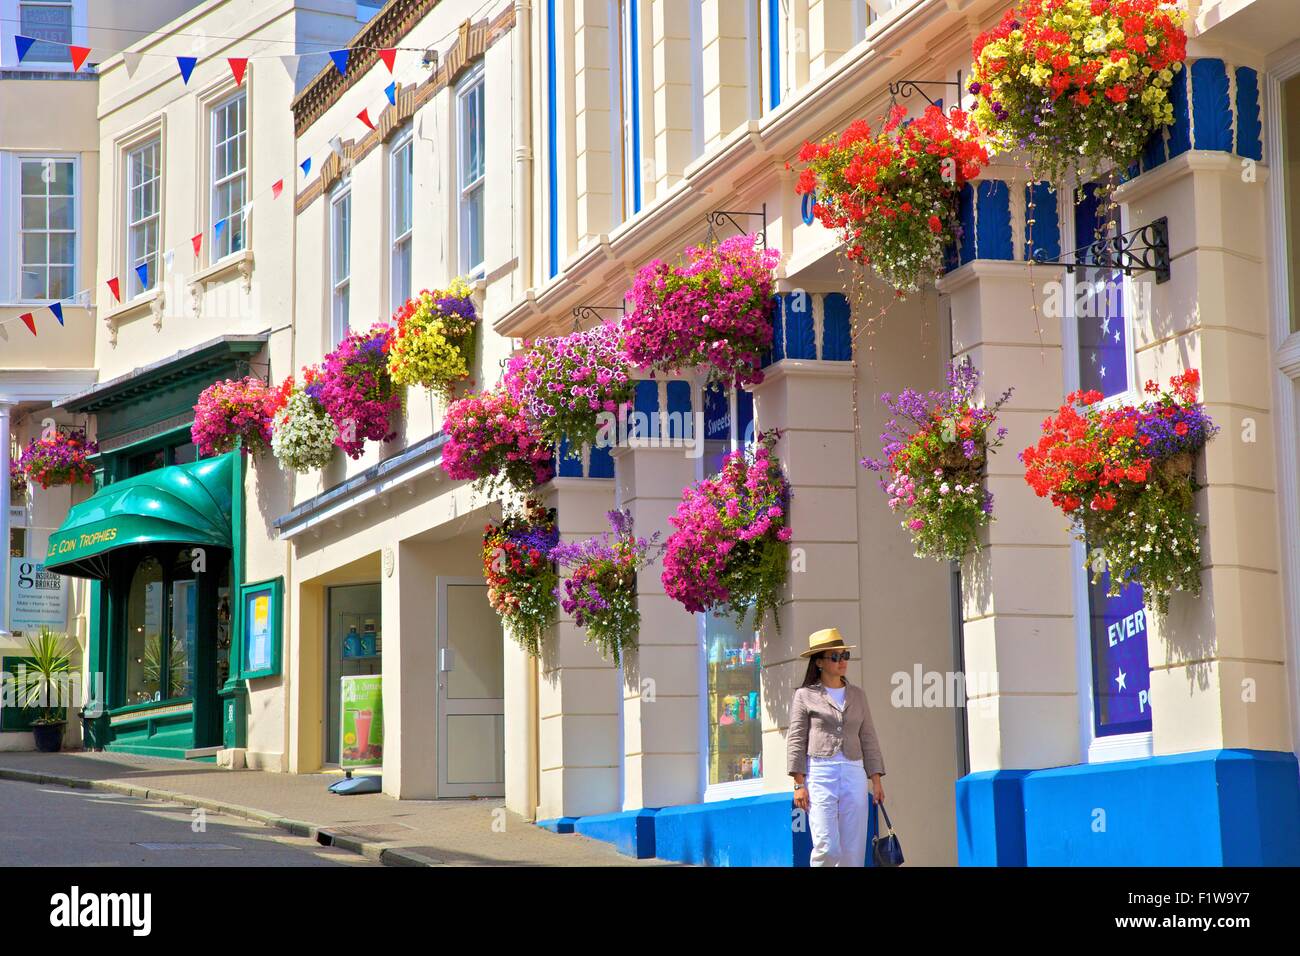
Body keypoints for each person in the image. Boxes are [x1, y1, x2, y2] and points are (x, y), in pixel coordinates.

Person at [786, 627, 886, 867]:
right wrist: (799, 784)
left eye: (845, 656)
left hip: (854, 771)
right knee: (827, 847)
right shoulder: (804, 695)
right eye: (835, 656)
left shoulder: (858, 695)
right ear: (819, 662)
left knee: (853, 850)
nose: (842, 661)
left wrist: (876, 780)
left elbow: (868, 737)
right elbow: (796, 740)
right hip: (820, 772)